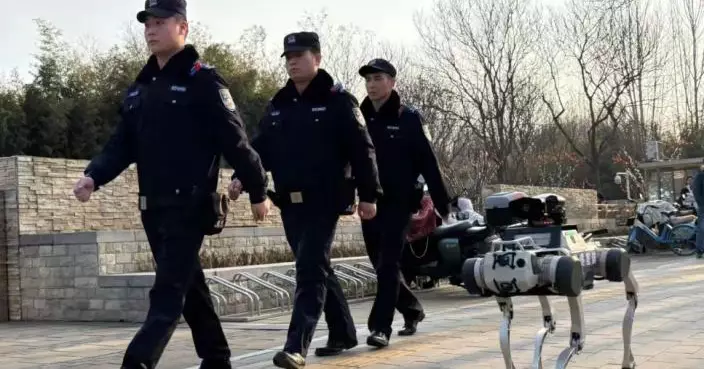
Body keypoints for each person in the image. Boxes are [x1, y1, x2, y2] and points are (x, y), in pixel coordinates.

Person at [72, 1, 270, 368]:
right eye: (147, 22)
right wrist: (93, 176)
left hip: (190, 205)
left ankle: (137, 362)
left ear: (183, 28)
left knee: (166, 294)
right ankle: (217, 358)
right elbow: (121, 144)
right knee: (189, 288)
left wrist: (258, 191)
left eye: (160, 22)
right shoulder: (141, 87)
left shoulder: (203, 80)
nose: (151, 29)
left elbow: (236, 142)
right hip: (152, 206)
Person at [231, 32, 383, 369]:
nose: (293, 61)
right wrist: (242, 176)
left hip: (325, 200)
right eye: (288, 57)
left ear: (318, 57)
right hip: (290, 202)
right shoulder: (279, 104)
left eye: (299, 55)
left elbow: (362, 150)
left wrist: (369, 195)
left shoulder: (338, 101)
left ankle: (295, 346)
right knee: (316, 265)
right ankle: (343, 332)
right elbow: (261, 149)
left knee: (309, 269)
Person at [357, 58, 452, 348]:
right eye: (368, 80)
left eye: (378, 79)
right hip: (369, 201)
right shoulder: (359, 117)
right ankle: (412, 309)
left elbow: (429, 162)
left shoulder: (408, 117)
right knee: (380, 264)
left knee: (388, 263)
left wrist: (441, 203)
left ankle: (380, 327)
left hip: (399, 202)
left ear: (392, 82)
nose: (372, 85)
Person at [692, 165, 704, 258]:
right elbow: (696, 192)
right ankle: (699, 250)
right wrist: (702, 204)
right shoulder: (700, 176)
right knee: (701, 228)